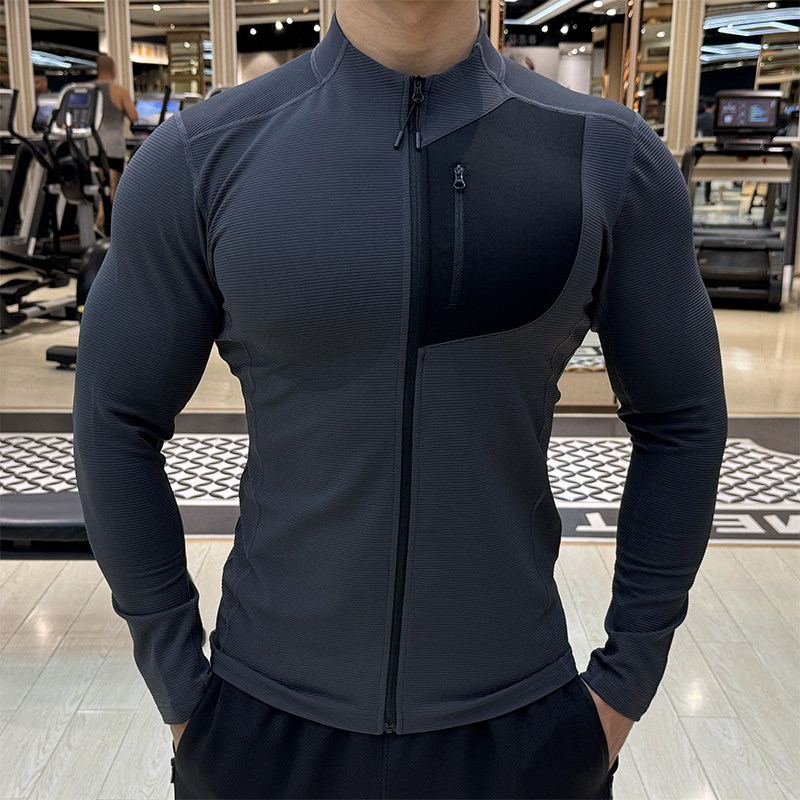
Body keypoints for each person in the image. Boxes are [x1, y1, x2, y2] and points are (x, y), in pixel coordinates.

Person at [73, 1, 727, 798]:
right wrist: (182, 693)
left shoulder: (609, 157)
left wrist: (623, 687)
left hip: (522, 731)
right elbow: (114, 419)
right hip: (258, 729)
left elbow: (683, 419)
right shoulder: (200, 158)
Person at [91, 54, 137, 232]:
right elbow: (134, 116)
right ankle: (101, 224)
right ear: (113, 70)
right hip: (111, 148)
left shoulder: (88, 89)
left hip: (92, 146)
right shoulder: (119, 91)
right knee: (113, 187)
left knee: (103, 184)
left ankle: (102, 224)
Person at [696, 97, 717, 205]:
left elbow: (695, 132)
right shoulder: (716, 119)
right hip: (713, 148)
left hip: (701, 147)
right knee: (709, 174)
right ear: (714, 106)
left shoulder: (699, 118)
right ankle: (707, 198)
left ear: (705, 106)